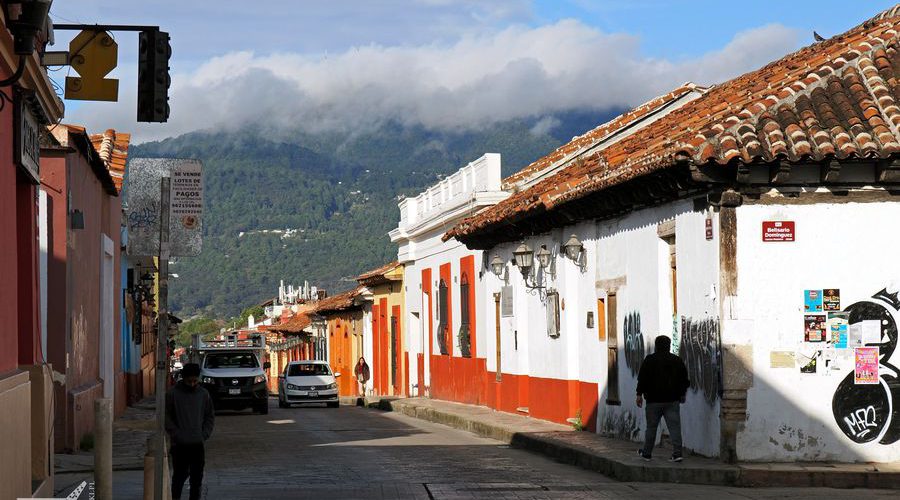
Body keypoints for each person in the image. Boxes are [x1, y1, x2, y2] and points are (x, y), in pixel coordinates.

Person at [636, 335, 690, 462]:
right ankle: (677, 454)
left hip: (653, 401)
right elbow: (684, 380)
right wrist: (682, 394)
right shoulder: (677, 360)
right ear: (669, 345)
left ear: (656, 345)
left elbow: (642, 379)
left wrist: (639, 394)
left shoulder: (649, 360)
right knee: (675, 427)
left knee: (651, 428)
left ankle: (647, 453)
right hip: (672, 400)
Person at [165, 362, 215, 500]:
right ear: (183, 378)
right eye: (189, 381)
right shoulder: (173, 394)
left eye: (195, 381)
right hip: (179, 445)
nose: (192, 384)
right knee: (179, 478)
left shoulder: (203, 394)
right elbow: (166, 416)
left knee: (196, 480)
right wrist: (176, 434)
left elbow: (209, 416)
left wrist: (204, 434)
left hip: (197, 443)